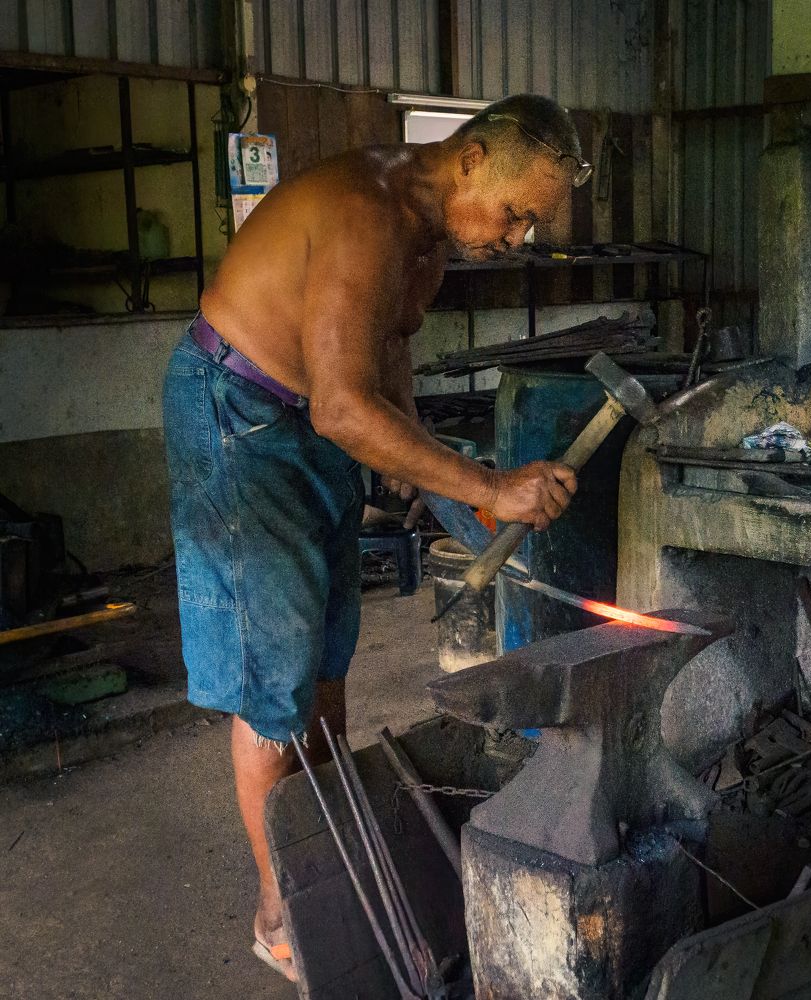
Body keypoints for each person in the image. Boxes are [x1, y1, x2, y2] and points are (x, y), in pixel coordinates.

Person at [161, 93, 590, 981]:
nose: (516, 238)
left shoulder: (429, 239)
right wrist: (486, 485)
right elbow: (343, 404)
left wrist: (434, 467)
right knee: (271, 682)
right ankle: (280, 909)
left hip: (303, 426)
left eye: (531, 226)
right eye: (516, 214)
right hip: (237, 412)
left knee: (324, 661)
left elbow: (384, 355)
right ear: (470, 158)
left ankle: (327, 858)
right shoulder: (366, 213)